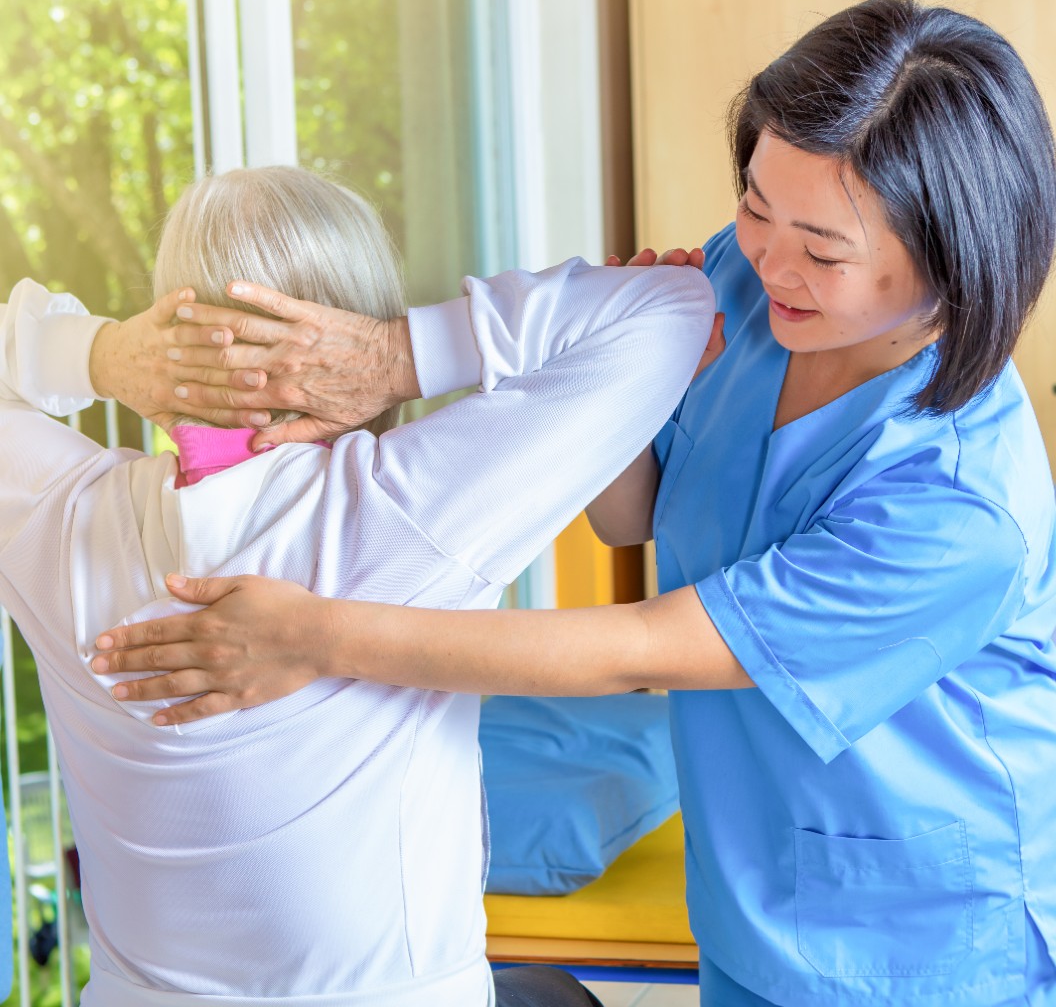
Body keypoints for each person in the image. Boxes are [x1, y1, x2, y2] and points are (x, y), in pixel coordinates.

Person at [96, 0, 1056, 1006]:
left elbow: (636, 645)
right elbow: (628, 517)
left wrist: (315, 635)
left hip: (923, 938)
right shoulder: (755, 287)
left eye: (821, 249)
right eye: (754, 206)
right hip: (750, 888)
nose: (768, 259)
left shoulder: (959, 508)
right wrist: (608, 387)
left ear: (955, 259)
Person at [0, 165, 715, 1005]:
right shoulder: (396, 510)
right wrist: (396, 355)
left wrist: (97, 354)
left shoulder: (55, 517)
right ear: (342, 337)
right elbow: (672, 307)